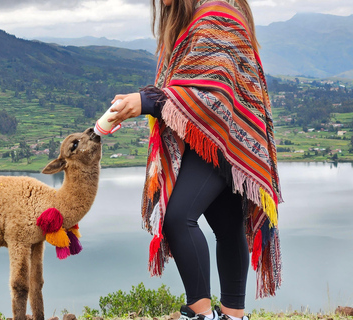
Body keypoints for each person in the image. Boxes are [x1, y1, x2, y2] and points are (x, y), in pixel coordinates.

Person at [107, 0, 283, 319]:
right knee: (227, 225)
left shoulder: (219, 17)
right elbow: (184, 87)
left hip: (224, 137)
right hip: (212, 138)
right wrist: (140, 102)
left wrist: (146, 100)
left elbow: (211, 96)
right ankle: (232, 315)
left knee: (178, 218)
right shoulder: (191, 23)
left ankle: (201, 314)